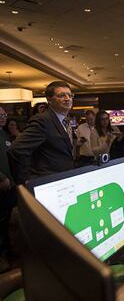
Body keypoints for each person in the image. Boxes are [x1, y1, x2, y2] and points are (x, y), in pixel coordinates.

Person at [8, 81, 75, 185]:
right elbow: (16, 150)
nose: (67, 99)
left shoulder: (65, 121)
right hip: (48, 182)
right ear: (49, 99)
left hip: (64, 179)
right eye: (61, 95)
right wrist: (25, 182)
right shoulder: (42, 120)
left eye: (70, 95)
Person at [0, 107, 14, 272]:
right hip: (2, 183)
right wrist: (2, 177)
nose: (2, 118)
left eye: (4, 115)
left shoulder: (4, 134)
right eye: (0, 115)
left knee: (7, 222)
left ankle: (8, 252)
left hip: (10, 185)